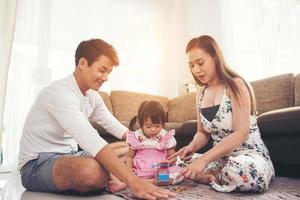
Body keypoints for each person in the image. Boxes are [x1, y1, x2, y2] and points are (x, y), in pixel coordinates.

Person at [18, 39, 175, 199]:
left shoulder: (93, 97)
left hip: (71, 155)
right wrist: (132, 181)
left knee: (127, 148)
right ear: (82, 63)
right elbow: (90, 139)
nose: (105, 77)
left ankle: (113, 176)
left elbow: (117, 128)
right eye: (102, 70)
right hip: (37, 164)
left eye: (108, 72)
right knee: (91, 171)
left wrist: (152, 144)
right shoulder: (58, 93)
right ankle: (116, 176)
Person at [168, 35, 275, 192]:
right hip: (219, 160)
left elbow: (241, 133)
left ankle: (211, 175)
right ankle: (214, 174)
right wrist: (191, 146)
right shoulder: (201, 94)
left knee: (246, 174)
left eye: (200, 63)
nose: (196, 70)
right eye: (191, 65)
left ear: (215, 58)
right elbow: (202, 132)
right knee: (175, 166)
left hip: (248, 157)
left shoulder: (235, 85)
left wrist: (204, 159)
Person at [109, 100, 183, 192]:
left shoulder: (166, 136)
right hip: (141, 170)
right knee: (117, 172)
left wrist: (167, 162)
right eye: (148, 126)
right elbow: (129, 157)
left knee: (179, 174)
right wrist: (129, 169)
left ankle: (133, 183)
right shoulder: (135, 137)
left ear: (163, 124)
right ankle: (132, 181)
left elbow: (173, 158)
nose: (153, 130)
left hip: (160, 170)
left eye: (157, 126)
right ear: (140, 123)